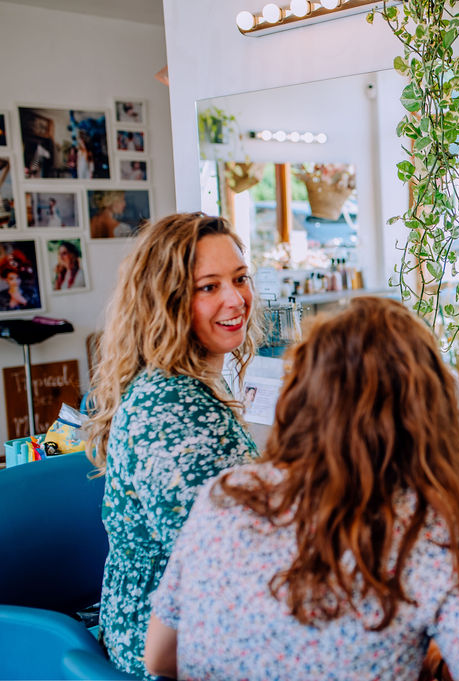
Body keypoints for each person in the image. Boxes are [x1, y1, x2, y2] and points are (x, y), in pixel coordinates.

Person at [144, 298, 459, 681]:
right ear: (427, 414)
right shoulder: (429, 533)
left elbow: (159, 658)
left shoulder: (224, 495)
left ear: (299, 394)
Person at [85, 213, 262, 677]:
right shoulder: (167, 410)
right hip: (165, 645)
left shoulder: (189, 389)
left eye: (240, 279)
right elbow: (223, 568)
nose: (235, 299)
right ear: (168, 300)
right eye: (209, 286)